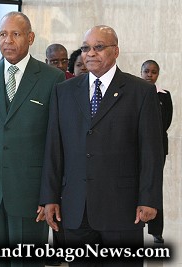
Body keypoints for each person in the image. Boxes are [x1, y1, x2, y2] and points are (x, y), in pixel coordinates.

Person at [40, 25, 164, 267]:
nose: (90, 53)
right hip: (76, 208)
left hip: (123, 209)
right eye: (86, 48)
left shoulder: (141, 92)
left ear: (116, 51)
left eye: (99, 47)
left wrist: (149, 198)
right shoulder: (64, 92)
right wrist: (49, 196)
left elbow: (151, 152)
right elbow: (54, 148)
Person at [0, 11, 65, 267]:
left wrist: (50, 194)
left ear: (30, 38)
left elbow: (56, 142)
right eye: (2, 34)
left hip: (31, 192)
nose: (7, 40)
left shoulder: (52, 78)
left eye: (15, 34)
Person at [141, 59, 173, 244]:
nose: (149, 75)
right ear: (141, 72)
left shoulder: (164, 95)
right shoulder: (135, 92)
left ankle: (156, 230)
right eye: (146, 71)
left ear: (157, 74)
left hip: (158, 148)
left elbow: (166, 122)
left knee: (154, 187)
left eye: (153, 72)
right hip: (136, 148)